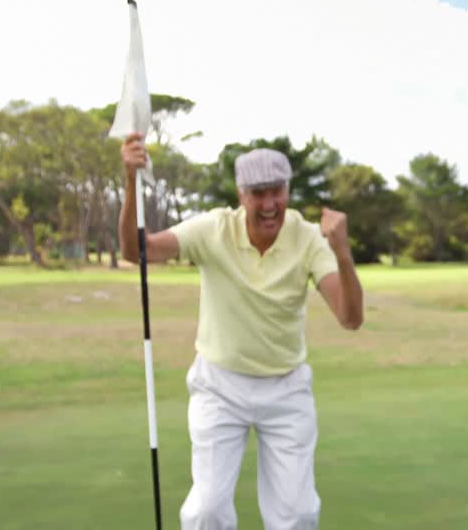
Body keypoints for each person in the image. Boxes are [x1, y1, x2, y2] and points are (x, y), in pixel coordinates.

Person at [119, 137, 365, 530]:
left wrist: (343, 253)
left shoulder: (306, 239)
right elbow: (138, 251)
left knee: (299, 514)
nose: (270, 204)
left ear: (288, 190)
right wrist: (130, 181)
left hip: (286, 389)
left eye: (277, 191)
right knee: (207, 512)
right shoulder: (214, 229)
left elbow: (350, 318)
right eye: (258, 193)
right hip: (220, 386)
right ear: (241, 194)